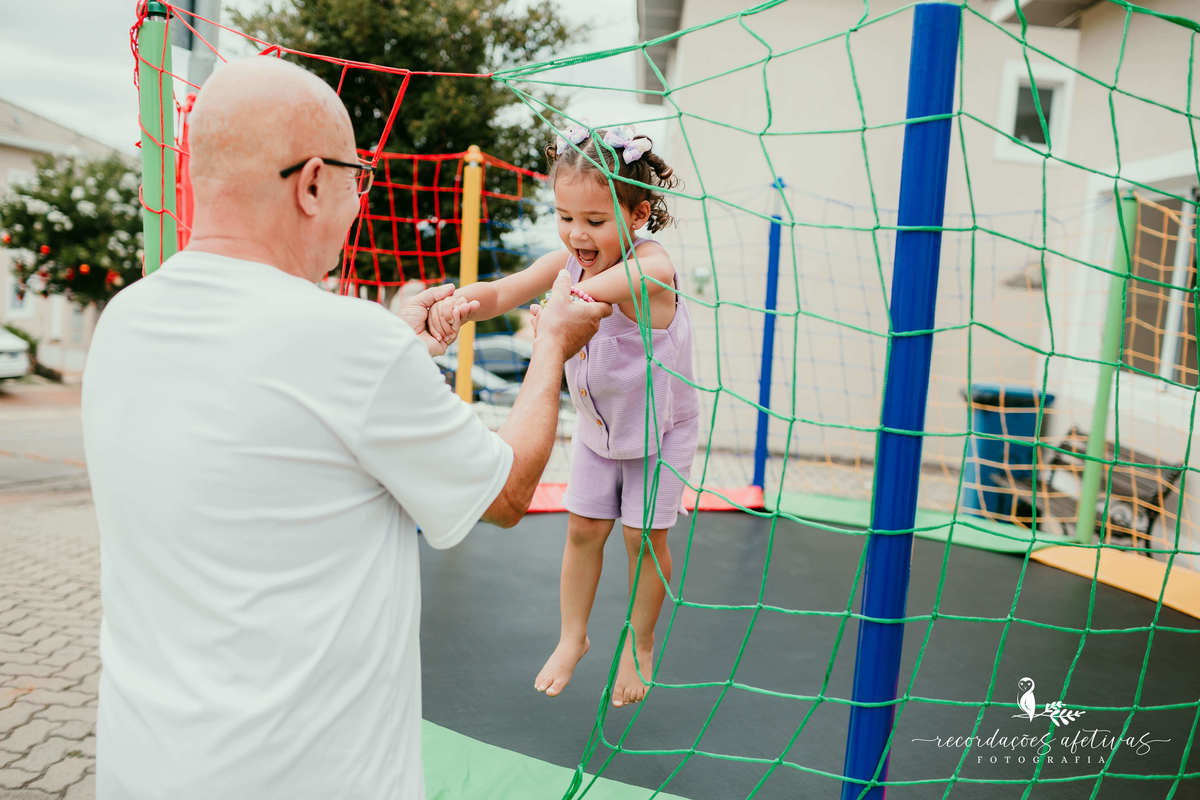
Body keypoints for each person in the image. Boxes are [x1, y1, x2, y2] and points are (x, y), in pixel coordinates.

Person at [80, 58, 609, 800]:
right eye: (356, 178)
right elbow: (510, 491)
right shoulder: (348, 344)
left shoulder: (125, 321)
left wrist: (395, 350)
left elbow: (270, 421)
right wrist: (549, 343)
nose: (359, 202)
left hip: (146, 769)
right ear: (311, 185)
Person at [428, 125, 699, 708]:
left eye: (595, 221)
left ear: (637, 213)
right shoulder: (565, 263)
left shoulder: (653, 266)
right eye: (564, 216)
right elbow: (505, 293)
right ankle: (573, 636)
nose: (577, 234)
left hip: (660, 433)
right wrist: (460, 303)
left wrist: (554, 310)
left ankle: (641, 642)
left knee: (642, 538)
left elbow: (599, 293)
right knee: (581, 531)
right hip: (600, 432)